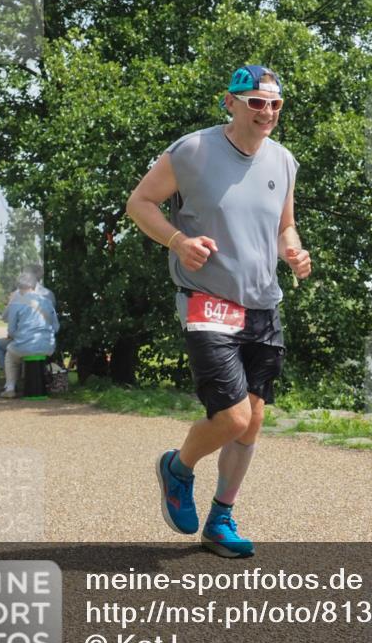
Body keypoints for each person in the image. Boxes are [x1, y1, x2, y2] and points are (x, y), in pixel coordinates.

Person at [126, 64, 311, 559]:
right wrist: (178, 240)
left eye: (275, 104)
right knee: (230, 418)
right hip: (208, 299)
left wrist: (293, 250)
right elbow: (140, 202)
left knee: (252, 422)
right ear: (229, 102)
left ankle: (220, 519)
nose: (266, 112)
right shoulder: (193, 151)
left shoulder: (284, 161)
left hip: (263, 303)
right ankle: (178, 468)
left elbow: (284, 227)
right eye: (255, 102)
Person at [0, 271, 59, 398]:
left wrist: (20, 336)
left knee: (10, 354)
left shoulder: (16, 303)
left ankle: (10, 387)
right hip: (48, 346)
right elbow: (56, 327)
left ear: (18, 287)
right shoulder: (46, 301)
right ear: (35, 286)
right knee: (24, 350)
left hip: (25, 345)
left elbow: (11, 331)